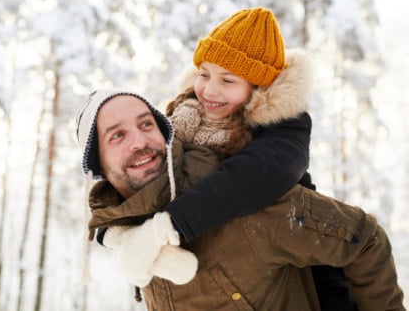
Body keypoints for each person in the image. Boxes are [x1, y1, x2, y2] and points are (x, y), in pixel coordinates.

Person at [87, 7, 353, 309]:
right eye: (204, 74)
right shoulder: (185, 116)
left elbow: (251, 177)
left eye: (228, 80)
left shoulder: (281, 128)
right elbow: (148, 178)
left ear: (257, 88)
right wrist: (115, 233)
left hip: (294, 268)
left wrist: (167, 226)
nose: (210, 89)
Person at [75, 90, 405, 310]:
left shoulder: (239, 200)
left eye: (146, 124)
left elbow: (364, 238)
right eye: (117, 135)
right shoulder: (127, 230)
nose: (140, 141)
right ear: (98, 164)